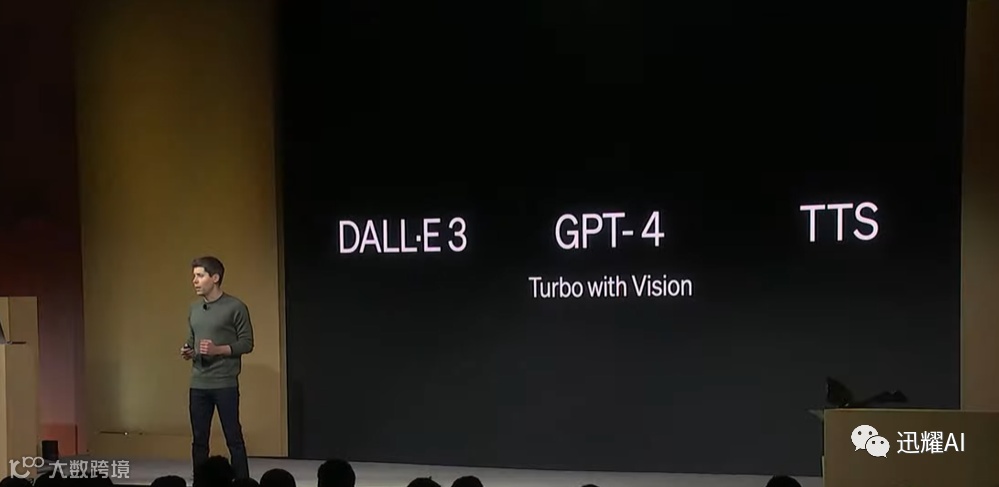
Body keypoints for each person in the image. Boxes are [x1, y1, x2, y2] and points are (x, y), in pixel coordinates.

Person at [181, 256, 255, 479]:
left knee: (234, 438)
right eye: (194, 276)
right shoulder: (194, 308)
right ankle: (200, 480)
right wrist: (188, 351)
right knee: (199, 439)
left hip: (225, 383)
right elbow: (192, 340)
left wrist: (218, 349)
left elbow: (247, 343)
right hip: (198, 383)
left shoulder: (236, 307)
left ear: (215, 278)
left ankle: (242, 480)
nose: (195, 281)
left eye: (200, 276)